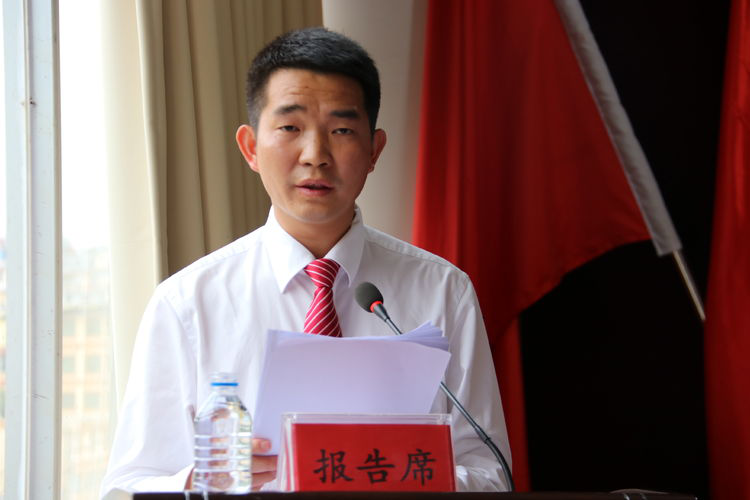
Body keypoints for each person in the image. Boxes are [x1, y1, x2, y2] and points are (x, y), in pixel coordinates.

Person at [101, 27, 511, 496]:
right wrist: (204, 481)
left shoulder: (443, 290)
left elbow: (491, 474)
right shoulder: (188, 302)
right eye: (290, 128)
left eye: (342, 130)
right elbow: (130, 485)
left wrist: (395, 475)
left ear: (374, 150)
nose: (315, 155)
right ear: (251, 148)